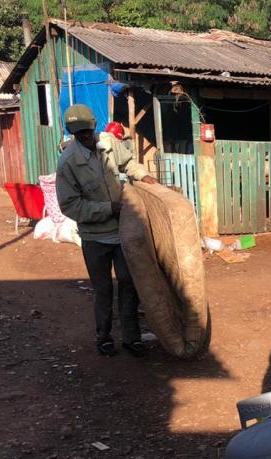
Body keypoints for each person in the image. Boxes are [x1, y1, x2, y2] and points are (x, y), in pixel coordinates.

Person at [55, 104, 160, 357]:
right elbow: (70, 205)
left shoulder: (110, 143)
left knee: (128, 284)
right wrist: (107, 209)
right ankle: (103, 337)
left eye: (88, 131)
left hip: (122, 233)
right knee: (103, 289)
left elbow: (129, 162)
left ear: (94, 126)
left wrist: (144, 176)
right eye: (79, 134)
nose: (86, 137)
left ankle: (131, 337)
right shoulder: (68, 163)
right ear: (72, 133)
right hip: (94, 237)